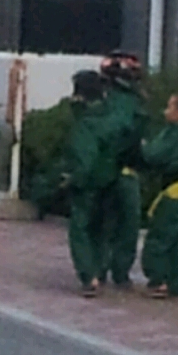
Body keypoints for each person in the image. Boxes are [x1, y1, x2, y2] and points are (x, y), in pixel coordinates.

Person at [141, 91, 178, 299]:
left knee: (160, 238)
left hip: (173, 194)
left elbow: (152, 155)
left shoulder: (172, 135)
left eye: (170, 107)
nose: (165, 111)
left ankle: (159, 281)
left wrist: (142, 146)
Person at [62, 70, 117, 298]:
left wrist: (72, 180)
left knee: (80, 229)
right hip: (111, 179)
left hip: (87, 184)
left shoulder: (85, 124)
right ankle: (101, 270)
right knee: (102, 228)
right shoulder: (111, 117)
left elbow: (85, 158)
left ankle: (88, 276)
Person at [99, 52, 149, 288]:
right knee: (125, 223)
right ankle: (117, 272)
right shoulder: (126, 102)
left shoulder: (107, 100)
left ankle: (103, 270)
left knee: (109, 222)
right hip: (122, 170)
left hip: (109, 170)